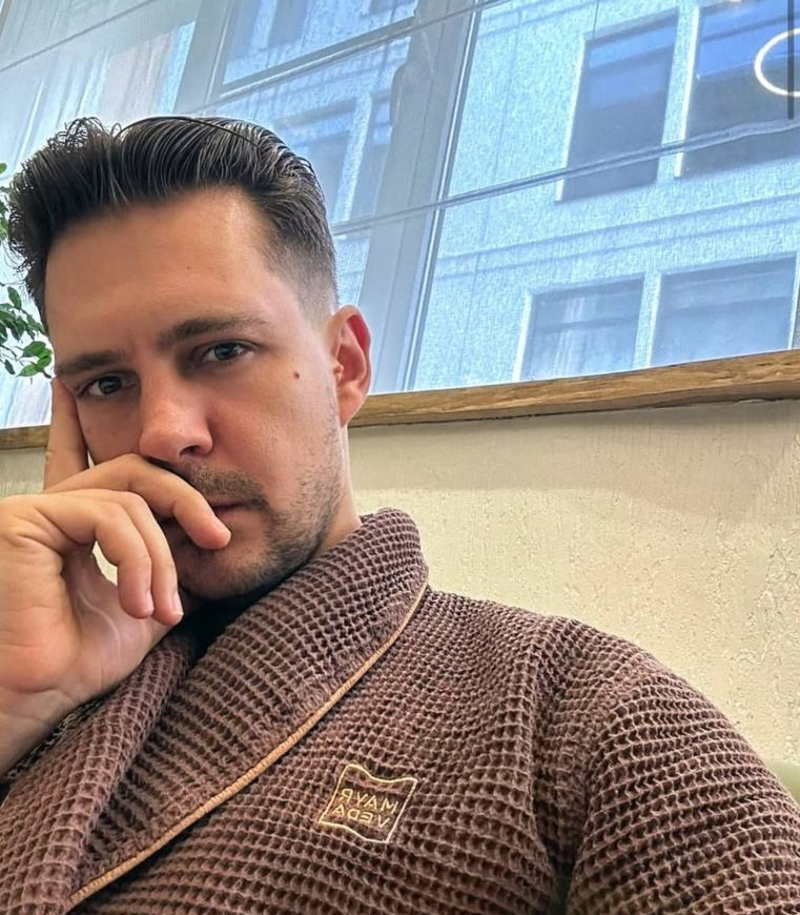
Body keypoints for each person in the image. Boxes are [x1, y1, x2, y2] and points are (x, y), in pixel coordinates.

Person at [0, 116, 797, 915]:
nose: (163, 431)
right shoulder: (49, 680)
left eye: (222, 350)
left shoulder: (587, 718)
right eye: (106, 383)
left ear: (345, 366)